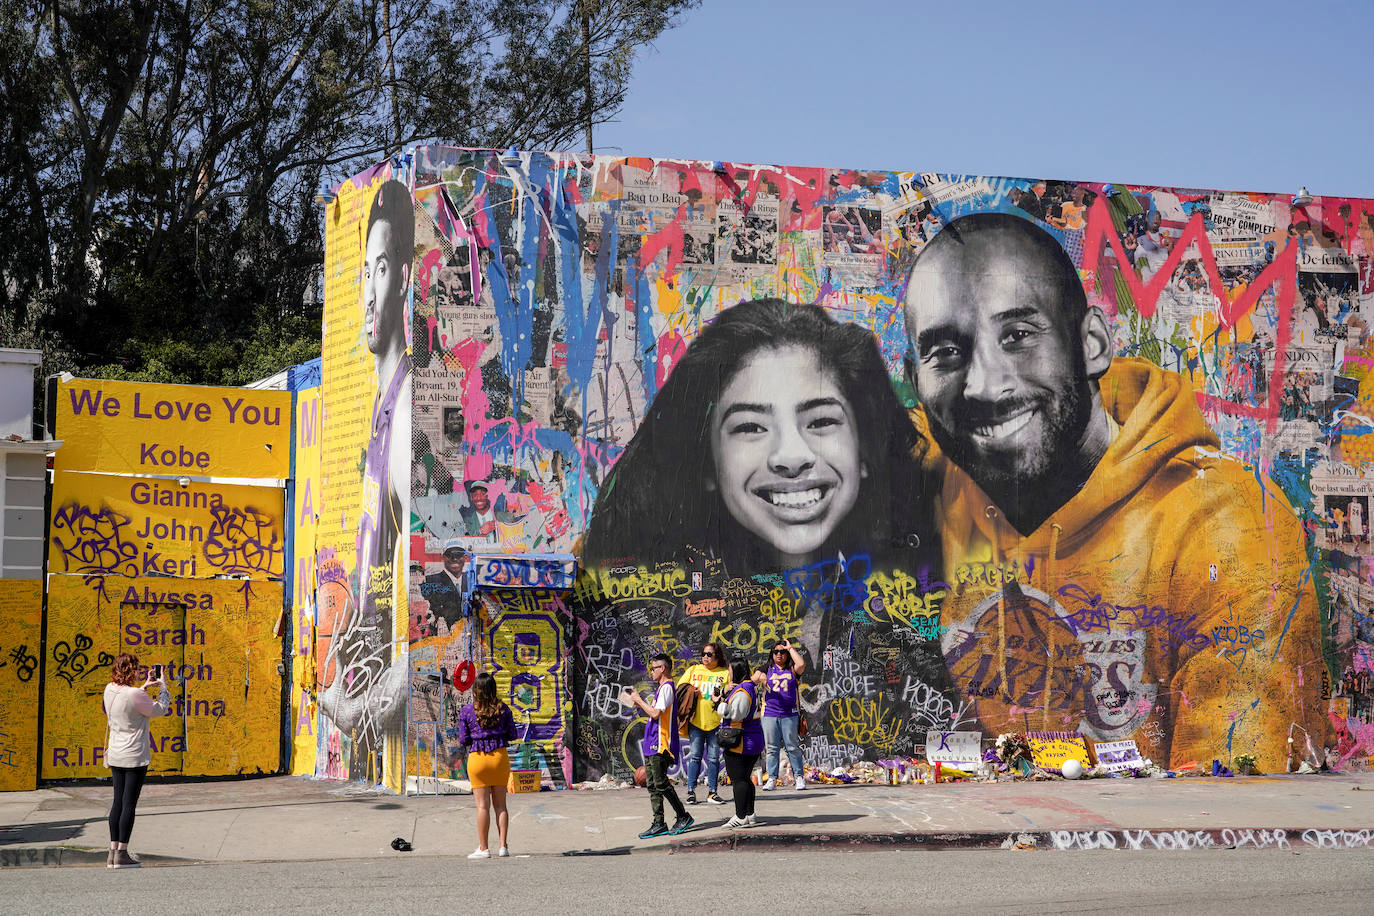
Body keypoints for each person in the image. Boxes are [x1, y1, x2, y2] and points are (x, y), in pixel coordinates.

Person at [902, 211, 1328, 769]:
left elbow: (1228, 815)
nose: (984, 385)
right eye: (946, 354)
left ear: (1093, 344)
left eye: (1018, 336)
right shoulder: (919, 474)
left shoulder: (1225, 526)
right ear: (917, 382)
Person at [582, 298, 935, 578]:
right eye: (750, 427)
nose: (791, 456)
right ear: (708, 464)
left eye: (822, 420)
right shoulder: (638, 610)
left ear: (864, 452)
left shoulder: (930, 595)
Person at [319, 179, 413, 762]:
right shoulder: (379, 414)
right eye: (362, 275)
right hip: (368, 697)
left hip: (390, 716)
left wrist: (382, 693)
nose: (367, 295)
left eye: (379, 270)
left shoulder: (405, 415)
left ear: (403, 277)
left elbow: (432, 574)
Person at [103, 653, 170, 868]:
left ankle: (112, 852)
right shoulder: (134, 694)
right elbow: (158, 710)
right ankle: (122, 854)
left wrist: (144, 687)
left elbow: (129, 700)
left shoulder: (109, 689)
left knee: (117, 802)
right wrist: (163, 687)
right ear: (132, 670)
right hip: (133, 755)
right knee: (129, 804)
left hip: (115, 753)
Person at [620, 653, 694, 838]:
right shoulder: (661, 689)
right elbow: (655, 715)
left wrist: (639, 701)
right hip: (652, 742)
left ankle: (683, 816)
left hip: (661, 743)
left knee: (661, 783)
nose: (651, 671)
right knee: (653, 785)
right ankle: (659, 822)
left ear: (663, 668)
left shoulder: (667, 688)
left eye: (653, 668)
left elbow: (654, 714)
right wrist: (637, 704)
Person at [456, 670, 518, 858]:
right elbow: (513, 735)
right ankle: (503, 847)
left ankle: (484, 849)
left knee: (482, 807)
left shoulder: (467, 711)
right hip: (499, 757)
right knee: (501, 806)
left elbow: (463, 739)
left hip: (478, 758)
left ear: (476, 690)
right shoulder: (503, 709)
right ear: (493, 689)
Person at [675, 642, 731, 805]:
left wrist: (723, 694)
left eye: (709, 654)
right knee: (695, 757)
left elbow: (730, 692)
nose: (705, 657)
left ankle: (712, 792)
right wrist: (691, 691)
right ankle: (691, 791)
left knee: (713, 759)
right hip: (696, 722)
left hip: (716, 722)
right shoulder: (693, 670)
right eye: (703, 654)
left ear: (717, 656)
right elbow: (680, 689)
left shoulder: (725, 673)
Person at [716, 661, 766, 829]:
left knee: (738, 779)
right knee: (745, 778)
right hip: (752, 738)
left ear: (736, 671)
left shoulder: (743, 691)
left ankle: (740, 816)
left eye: (729, 669)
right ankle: (750, 814)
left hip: (741, 741)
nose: (728, 673)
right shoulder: (749, 687)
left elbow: (737, 714)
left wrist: (720, 706)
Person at [760, 640, 806, 791]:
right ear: (771, 654)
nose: (779, 654)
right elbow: (753, 678)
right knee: (772, 748)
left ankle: (799, 777)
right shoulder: (767, 668)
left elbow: (801, 664)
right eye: (776, 652)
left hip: (789, 714)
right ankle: (772, 778)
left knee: (792, 747)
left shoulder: (792, 669)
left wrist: (790, 648)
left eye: (782, 652)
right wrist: (760, 677)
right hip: (770, 713)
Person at [421, 540, 470, 633]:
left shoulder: (472, 581)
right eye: (450, 555)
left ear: (465, 558)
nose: (454, 559)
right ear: (443, 557)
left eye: (458, 555)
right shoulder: (430, 581)